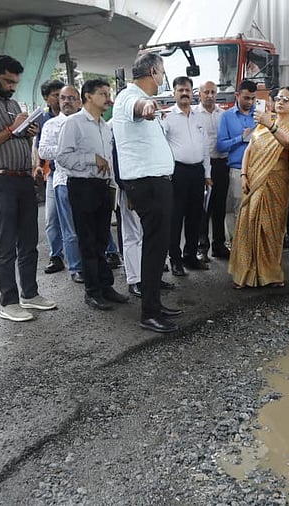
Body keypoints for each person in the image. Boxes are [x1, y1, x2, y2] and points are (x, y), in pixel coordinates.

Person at [0, 54, 57, 322]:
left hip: (22, 178)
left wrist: (26, 131)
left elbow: (15, 134)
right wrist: (11, 128)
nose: (12, 86)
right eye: (7, 81)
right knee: (6, 244)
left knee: (29, 241)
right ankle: (9, 302)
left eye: (15, 82)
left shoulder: (12, 102)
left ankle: (30, 293)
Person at [113, 53, 183, 333]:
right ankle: (149, 313)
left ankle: (154, 303)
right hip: (148, 184)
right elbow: (138, 106)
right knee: (154, 247)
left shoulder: (133, 96)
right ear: (154, 71)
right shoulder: (129, 96)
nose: (162, 77)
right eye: (162, 72)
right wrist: (146, 107)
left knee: (158, 245)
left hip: (156, 183)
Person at [229, 87, 289, 288]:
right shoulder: (262, 125)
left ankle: (270, 273)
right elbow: (249, 150)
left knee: (271, 230)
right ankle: (245, 273)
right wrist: (244, 174)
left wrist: (271, 125)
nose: (280, 102)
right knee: (248, 224)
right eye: (278, 98)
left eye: (286, 99)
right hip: (253, 182)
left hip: (277, 186)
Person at [57, 79, 129, 311]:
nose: (108, 99)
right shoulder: (74, 123)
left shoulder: (104, 126)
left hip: (102, 187)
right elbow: (63, 157)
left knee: (101, 239)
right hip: (82, 186)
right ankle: (92, 291)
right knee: (87, 240)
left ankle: (105, 285)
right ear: (88, 96)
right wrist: (91, 159)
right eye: (102, 94)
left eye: (108, 94)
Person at [162, 76, 212, 276]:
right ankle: (175, 260)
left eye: (188, 90)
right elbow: (162, 147)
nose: (184, 93)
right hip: (178, 172)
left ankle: (190, 256)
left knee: (195, 216)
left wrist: (207, 174)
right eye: (180, 90)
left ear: (193, 93)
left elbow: (206, 148)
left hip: (197, 172)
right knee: (176, 217)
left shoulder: (199, 118)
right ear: (174, 93)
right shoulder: (167, 118)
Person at [38, 85, 84, 284]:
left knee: (90, 227)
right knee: (69, 229)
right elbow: (44, 151)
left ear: (80, 101)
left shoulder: (87, 122)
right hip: (64, 181)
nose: (66, 102)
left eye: (71, 98)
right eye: (63, 98)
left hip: (87, 179)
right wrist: (67, 150)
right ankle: (76, 267)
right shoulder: (52, 125)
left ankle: (95, 262)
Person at [217, 80, 258, 244]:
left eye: (253, 99)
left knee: (255, 208)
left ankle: (253, 245)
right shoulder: (226, 117)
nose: (250, 102)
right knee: (237, 209)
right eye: (246, 98)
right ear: (237, 95)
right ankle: (236, 245)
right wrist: (240, 138)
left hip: (257, 169)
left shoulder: (259, 115)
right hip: (236, 170)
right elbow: (220, 146)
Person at [34, 79, 66, 275]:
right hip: (54, 174)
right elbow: (39, 146)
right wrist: (38, 166)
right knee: (51, 218)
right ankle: (56, 256)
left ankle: (108, 251)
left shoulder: (77, 116)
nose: (60, 99)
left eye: (62, 94)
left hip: (76, 174)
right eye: (56, 95)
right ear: (46, 98)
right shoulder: (43, 119)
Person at [195, 81, 230, 260]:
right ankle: (202, 247)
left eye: (213, 92)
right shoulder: (194, 114)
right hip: (202, 167)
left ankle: (219, 245)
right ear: (199, 94)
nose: (210, 95)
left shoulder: (224, 115)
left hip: (222, 164)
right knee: (204, 208)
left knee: (220, 207)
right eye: (206, 92)